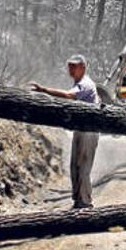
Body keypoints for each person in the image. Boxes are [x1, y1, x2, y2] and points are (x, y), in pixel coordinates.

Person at [30, 55, 100, 209]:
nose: (71, 69)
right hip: (81, 129)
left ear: (83, 67)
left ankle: (85, 202)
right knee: (75, 165)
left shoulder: (86, 84)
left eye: (74, 66)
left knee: (83, 166)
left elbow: (69, 95)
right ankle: (78, 200)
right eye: (69, 66)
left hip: (89, 130)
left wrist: (44, 90)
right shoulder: (79, 83)